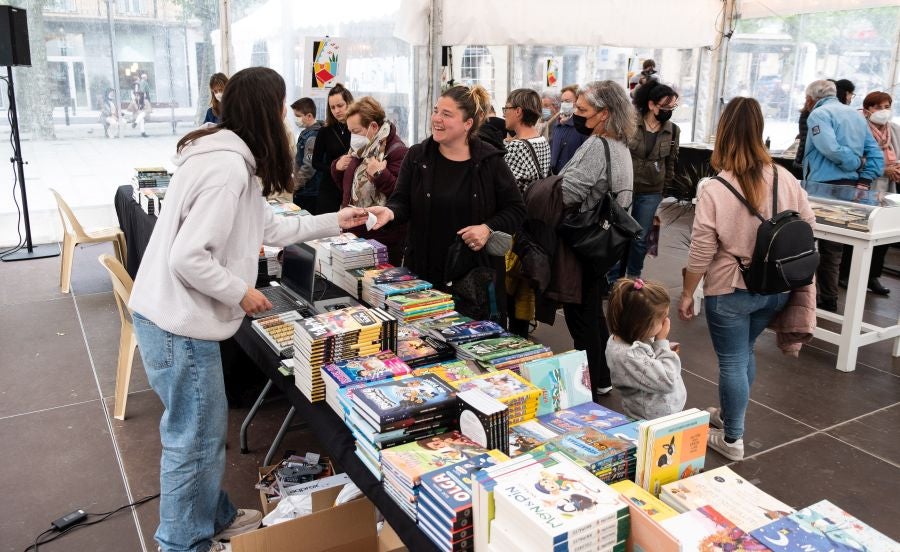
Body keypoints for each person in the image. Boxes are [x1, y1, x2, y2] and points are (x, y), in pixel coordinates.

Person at [128, 67, 375, 552]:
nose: (286, 117)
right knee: (194, 440)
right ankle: (182, 543)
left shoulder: (225, 158)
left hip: (169, 318)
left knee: (197, 435)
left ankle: (214, 515)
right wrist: (240, 291)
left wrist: (334, 221)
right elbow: (188, 256)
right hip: (180, 324)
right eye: (281, 106)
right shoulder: (226, 169)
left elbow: (269, 228)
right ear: (268, 110)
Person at [678, 97, 815, 462]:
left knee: (733, 360)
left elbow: (701, 249)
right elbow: (808, 225)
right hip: (777, 288)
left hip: (730, 288)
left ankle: (733, 437)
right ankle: (726, 417)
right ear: (760, 131)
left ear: (722, 133)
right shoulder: (784, 177)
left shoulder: (715, 188)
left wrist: (688, 292)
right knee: (744, 352)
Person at [370, 85, 526, 321]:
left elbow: (516, 210)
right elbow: (401, 202)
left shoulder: (489, 161)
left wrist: (487, 228)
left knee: (472, 346)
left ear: (468, 124)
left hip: (474, 280)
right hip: (424, 274)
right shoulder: (417, 156)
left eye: (447, 114)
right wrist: (390, 213)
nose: (436, 119)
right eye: (436, 111)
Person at [557, 80, 636, 397]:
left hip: (583, 242)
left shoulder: (595, 146)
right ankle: (602, 376)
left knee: (582, 316)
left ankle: (591, 381)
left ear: (603, 114)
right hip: (603, 244)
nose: (575, 114)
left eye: (582, 110)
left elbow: (567, 193)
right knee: (590, 310)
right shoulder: (621, 146)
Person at [803, 79, 883, 312]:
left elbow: (829, 147)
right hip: (850, 189)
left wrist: (855, 163)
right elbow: (875, 155)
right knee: (834, 247)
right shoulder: (857, 117)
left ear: (810, 99)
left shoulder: (819, 115)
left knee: (807, 242)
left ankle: (803, 297)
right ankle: (829, 298)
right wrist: (864, 179)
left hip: (821, 188)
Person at [609, 81, 680, 281]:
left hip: (652, 192)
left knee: (640, 237)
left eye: (672, 107)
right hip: (625, 188)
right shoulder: (630, 123)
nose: (669, 111)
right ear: (651, 105)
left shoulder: (673, 131)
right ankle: (613, 279)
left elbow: (671, 161)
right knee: (618, 233)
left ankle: (633, 278)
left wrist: (664, 191)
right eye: (665, 107)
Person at [331, 96, 409, 265]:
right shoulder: (361, 150)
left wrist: (380, 175)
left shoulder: (398, 152)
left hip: (381, 240)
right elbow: (346, 188)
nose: (353, 137)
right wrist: (336, 168)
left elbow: (401, 197)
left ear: (373, 126)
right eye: (350, 131)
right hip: (354, 234)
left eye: (356, 131)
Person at [839, 91, 900, 295]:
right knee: (857, 228)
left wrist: (896, 169)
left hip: (887, 189)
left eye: (887, 106)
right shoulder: (858, 129)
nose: (884, 111)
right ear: (867, 110)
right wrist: (883, 169)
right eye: (878, 107)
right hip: (863, 186)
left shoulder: (894, 130)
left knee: (882, 233)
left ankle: (873, 276)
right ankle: (846, 274)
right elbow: (855, 158)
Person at [502, 88, 553, 337]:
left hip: (515, 228)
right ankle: (521, 335)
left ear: (518, 111)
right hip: (535, 226)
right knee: (523, 289)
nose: (504, 114)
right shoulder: (541, 141)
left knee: (510, 288)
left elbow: (504, 188)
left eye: (506, 109)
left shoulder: (516, 148)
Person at [606, 277, 685, 420]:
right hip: (653, 420)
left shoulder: (633, 336)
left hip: (661, 414)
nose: (666, 321)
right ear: (640, 324)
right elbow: (668, 381)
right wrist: (661, 343)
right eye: (662, 319)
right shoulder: (629, 355)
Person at [312, 83, 354, 214]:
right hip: (330, 189)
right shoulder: (324, 131)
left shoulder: (360, 128)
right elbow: (315, 163)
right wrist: (334, 167)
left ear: (349, 103)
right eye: (332, 107)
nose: (336, 111)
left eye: (340, 106)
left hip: (353, 187)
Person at [290, 97, 324, 214]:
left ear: (309, 116)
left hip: (309, 191)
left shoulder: (312, 136)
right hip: (306, 190)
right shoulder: (306, 133)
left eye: (298, 116)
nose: (296, 119)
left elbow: (309, 167)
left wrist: (296, 185)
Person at [549, 85, 588, 174]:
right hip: (554, 177)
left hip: (571, 177)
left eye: (567, 101)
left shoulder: (582, 127)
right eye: (562, 101)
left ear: (578, 102)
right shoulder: (556, 125)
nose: (564, 104)